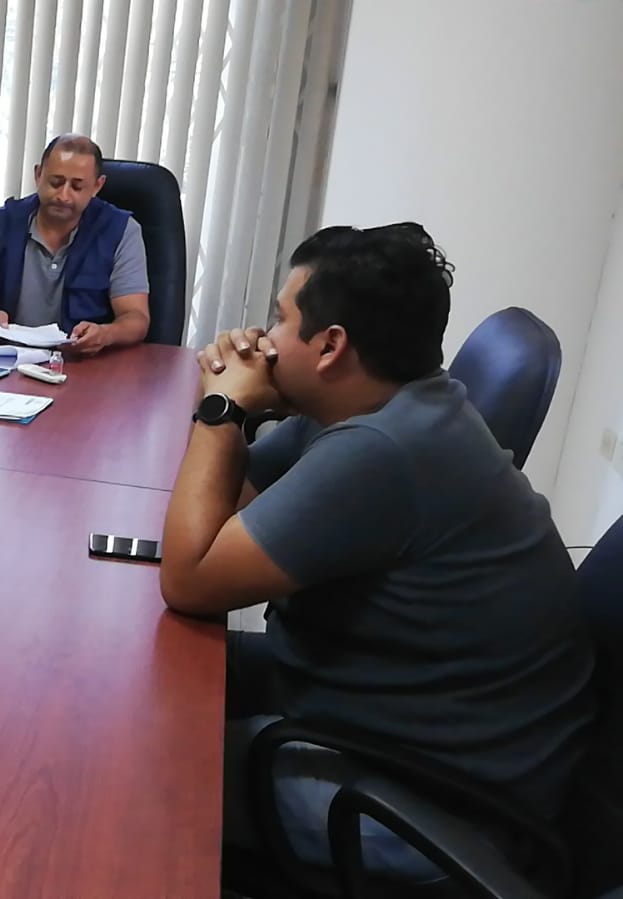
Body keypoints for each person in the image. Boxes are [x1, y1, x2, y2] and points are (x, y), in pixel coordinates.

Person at [159, 223, 594, 880]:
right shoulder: (371, 405)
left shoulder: (383, 452)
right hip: (364, 706)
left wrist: (221, 405)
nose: (263, 339)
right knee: (133, 685)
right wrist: (235, 410)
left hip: (428, 803)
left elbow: (190, 580)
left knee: (137, 766)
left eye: (281, 319)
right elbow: (233, 512)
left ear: (330, 345)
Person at [0, 134, 150, 355]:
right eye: (56, 182)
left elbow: (136, 318)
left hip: (82, 363)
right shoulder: (4, 223)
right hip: (9, 358)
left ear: (97, 186)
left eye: (77, 187)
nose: (64, 196)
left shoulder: (121, 231)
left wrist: (105, 334)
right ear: (38, 175)